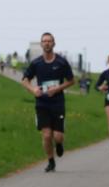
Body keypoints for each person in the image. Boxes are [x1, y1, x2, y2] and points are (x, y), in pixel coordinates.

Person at [21, 32, 75, 172]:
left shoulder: (61, 62)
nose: (47, 43)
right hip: (42, 104)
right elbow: (24, 80)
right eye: (44, 41)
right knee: (46, 135)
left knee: (57, 136)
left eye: (49, 41)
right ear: (41, 44)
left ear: (54, 43)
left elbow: (71, 81)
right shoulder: (36, 63)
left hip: (57, 103)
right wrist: (33, 90)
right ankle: (51, 161)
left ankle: (59, 144)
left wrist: (58, 88)